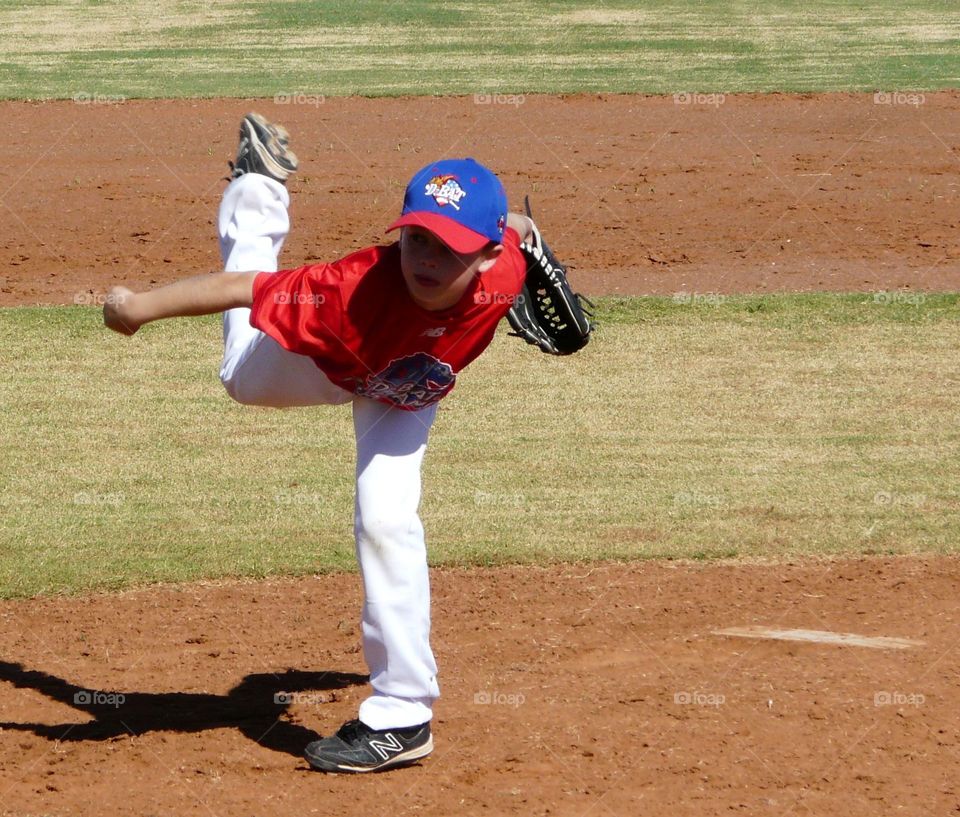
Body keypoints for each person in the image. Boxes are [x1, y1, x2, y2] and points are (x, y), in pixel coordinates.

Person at [104, 113, 533, 773]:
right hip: (322, 361)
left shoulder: (506, 270)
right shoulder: (344, 289)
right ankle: (257, 189)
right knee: (241, 376)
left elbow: (520, 230)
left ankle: (403, 714)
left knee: (385, 519)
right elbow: (241, 288)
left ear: (488, 255)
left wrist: (533, 239)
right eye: (417, 238)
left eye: (449, 248)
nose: (426, 258)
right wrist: (137, 308)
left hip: (403, 392)